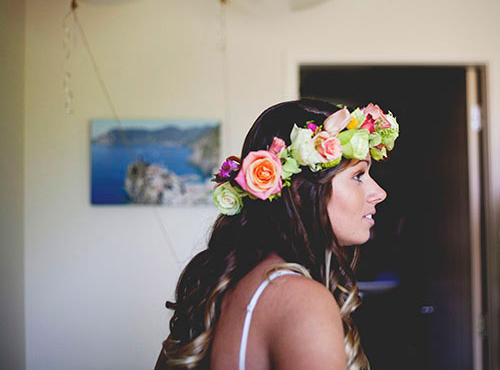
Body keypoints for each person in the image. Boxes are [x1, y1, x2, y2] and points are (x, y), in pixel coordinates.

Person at [155, 99, 399, 369]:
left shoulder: (224, 284)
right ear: (300, 192)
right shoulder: (302, 300)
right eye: (358, 176)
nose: (379, 193)